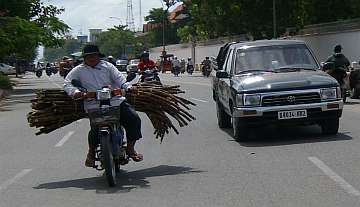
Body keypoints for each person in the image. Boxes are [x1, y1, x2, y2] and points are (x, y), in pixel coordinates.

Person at [64, 44, 143, 167]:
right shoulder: (78, 70)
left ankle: (130, 148)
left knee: (133, 119)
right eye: (89, 56)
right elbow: (68, 84)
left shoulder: (108, 66)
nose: (92, 58)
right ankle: (91, 152)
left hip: (115, 100)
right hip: (93, 104)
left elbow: (120, 80)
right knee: (95, 128)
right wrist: (75, 92)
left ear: (98, 56)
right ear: (84, 58)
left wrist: (129, 87)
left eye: (94, 56)